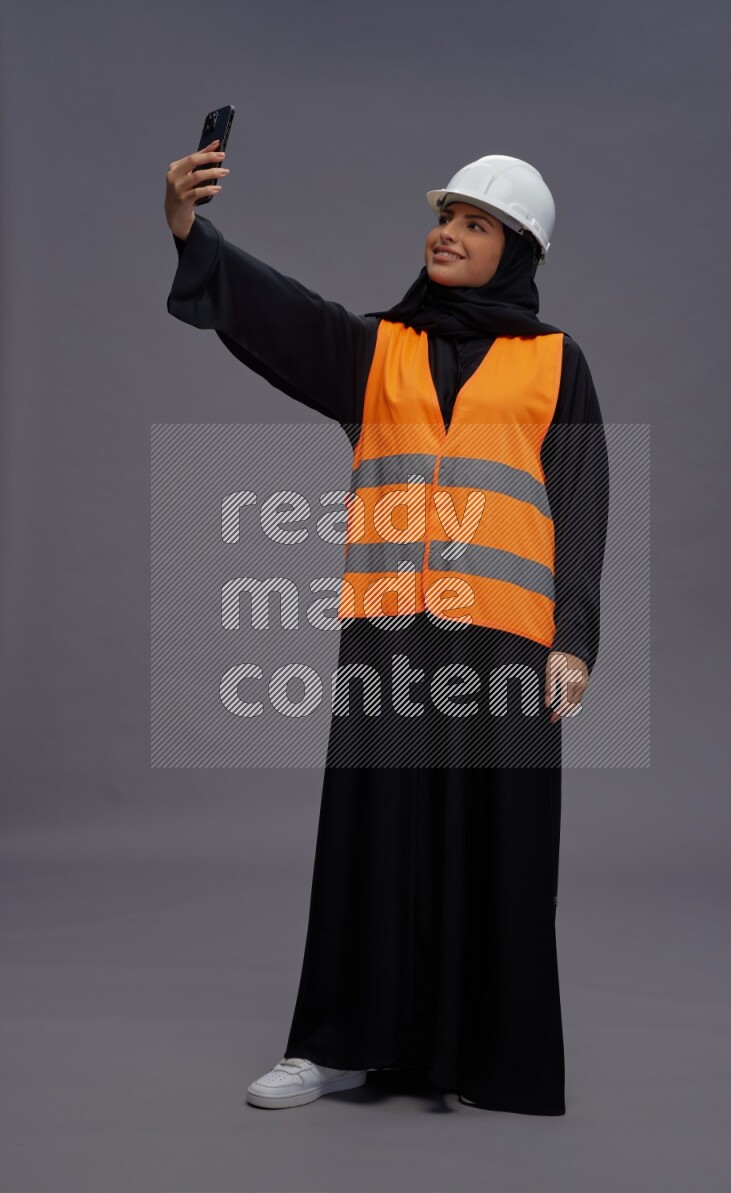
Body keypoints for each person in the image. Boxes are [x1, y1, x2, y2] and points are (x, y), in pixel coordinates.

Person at [164, 146, 610, 1115]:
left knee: (497, 842)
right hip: (392, 637)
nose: (446, 233)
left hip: (505, 640)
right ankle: (336, 1046)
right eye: (445, 216)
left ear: (517, 250)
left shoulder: (555, 362)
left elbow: (580, 499)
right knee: (372, 834)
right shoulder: (378, 349)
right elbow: (282, 317)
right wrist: (193, 233)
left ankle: (484, 1053)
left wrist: (573, 637)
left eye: (474, 223)